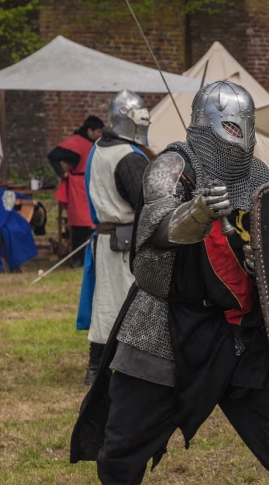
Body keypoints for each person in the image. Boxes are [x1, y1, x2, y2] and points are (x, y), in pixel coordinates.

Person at [70, 81, 269, 485]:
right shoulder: (170, 167)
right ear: (205, 126)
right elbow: (157, 231)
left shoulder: (257, 174)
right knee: (124, 448)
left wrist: (264, 264)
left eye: (243, 128)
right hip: (168, 324)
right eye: (229, 127)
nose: (236, 139)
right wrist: (199, 211)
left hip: (238, 327)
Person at [77, 90, 150, 386]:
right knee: (118, 306)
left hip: (109, 241)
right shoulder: (127, 157)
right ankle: (101, 369)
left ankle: (99, 368)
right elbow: (145, 201)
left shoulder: (99, 148)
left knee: (107, 304)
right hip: (123, 243)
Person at [48, 115, 103, 267]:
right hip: (78, 186)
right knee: (80, 223)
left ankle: (87, 257)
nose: (100, 135)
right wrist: (62, 173)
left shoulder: (94, 143)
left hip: (90, 184)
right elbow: (53, 156)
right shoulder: (75, 142)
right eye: (98, 131)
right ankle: (77, 258)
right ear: (90, 130)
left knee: (92, 221)